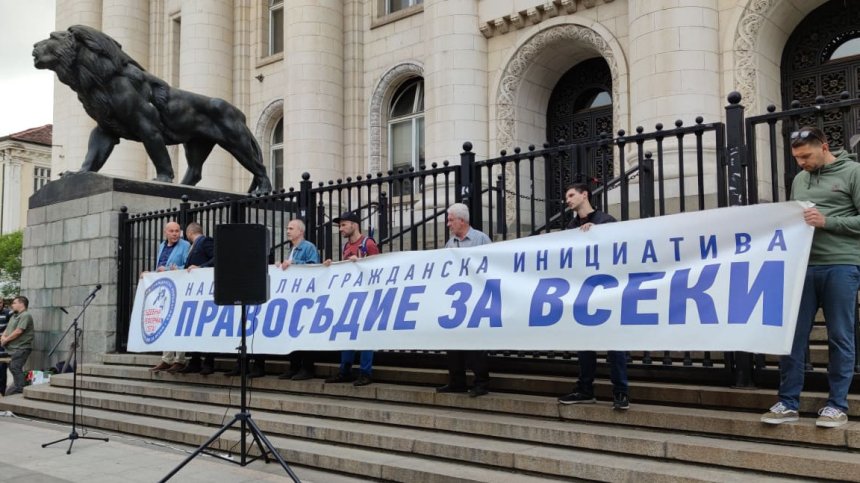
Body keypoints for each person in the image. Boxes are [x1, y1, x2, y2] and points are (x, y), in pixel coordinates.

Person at [761, 126, 860, 429]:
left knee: (840, 336)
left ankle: (837, 405)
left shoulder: (853, 172)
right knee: (792, 335)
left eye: (806, 156)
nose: (801, 162)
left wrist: (827, 221)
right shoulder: (800, 180)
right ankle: (788, 402)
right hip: (802, 266)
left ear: (824, 147)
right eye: (796, 158)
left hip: (841, 264)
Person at [557, 182, 630, 410]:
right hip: (583, 293)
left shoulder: (605, 221)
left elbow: (619, 249)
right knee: (584, 343)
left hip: (607, 292)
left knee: (614, 344)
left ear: (584, 195)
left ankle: (620, 391)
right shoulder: (571, 226)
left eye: (571, 195)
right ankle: (585, 389)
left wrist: (597, 234)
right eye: (566, 197)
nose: (568, 200)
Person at [435, 203, 493, 397]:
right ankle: (456, 381)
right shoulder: (450, 243)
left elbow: (492, 265)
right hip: (456, 300)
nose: (448, 224)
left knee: (475, 344)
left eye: (450, 220)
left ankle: (481, 383)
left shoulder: (481, 239)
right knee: (453, 343)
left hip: (476, 299)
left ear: (462, 220)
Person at [323, 210, 380, 387]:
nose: (340, 229)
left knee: (366, 334)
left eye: (343, 225)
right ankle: (345, 370)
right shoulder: (347, 247)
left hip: (367, 296)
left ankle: (365, 372)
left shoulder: (368, 243)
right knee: (346, 332)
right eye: (340, 225)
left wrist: (361, 262)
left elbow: (379, 269)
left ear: (354, 225)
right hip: (350, 296)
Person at [276, 218, 321, 381]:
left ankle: (307, 367)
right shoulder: (293, 249)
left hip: (306, 297)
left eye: (291, 228)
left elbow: (314, 266)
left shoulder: (308, 247)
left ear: (300, 231)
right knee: (293, 332)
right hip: (294, 297)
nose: (288, 231)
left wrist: (293, 263)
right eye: (287, 228)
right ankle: (294, 366)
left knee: (304, 332)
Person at [148, 221, 191, 373]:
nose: (175, 234)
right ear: (165, 232)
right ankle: (167, 359)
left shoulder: (185, 245)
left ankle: (180, 360)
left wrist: (168, 269)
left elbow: (187, 266)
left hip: (178, 288)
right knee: (165, 322)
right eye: (171, 231)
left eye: (177, 231)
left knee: (178, 323)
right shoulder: (162, 246)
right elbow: (159, 267)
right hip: (164, 290)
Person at [179, 222, 217, 376]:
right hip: (195, 295)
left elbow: (218, 258)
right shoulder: (194, 246)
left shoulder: (205, 241)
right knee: (195, 328)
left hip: (206, 292)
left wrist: (201, 268)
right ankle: (194, 361)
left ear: (189, 233)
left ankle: (208, 362)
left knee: (206, 328)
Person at [1, 296, 35, 396]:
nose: (12, 305)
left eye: (14, 303)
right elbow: (7, 328)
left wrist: (6, 339)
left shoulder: (25, 315)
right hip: (14, 348)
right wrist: (3, 336)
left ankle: (20, 389)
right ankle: (18, 387)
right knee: (13, 368)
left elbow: (19, 331)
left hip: (22, 348)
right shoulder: (14, 316)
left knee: (15, 367)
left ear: (21, 304)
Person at [0, 299, 12, 395]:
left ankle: (2, 392)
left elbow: (13, 327)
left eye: (0, 302)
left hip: (3, 346)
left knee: (2, 370)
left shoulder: (8, 313)